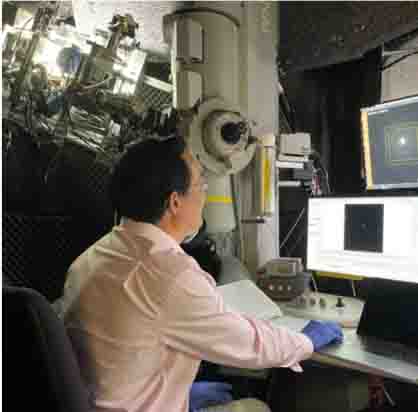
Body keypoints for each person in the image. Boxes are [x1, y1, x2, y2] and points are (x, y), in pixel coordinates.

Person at [56, 137, 343, 412]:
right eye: (200, 184)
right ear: (175, 202)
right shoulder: (170, 274)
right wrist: (306, 341)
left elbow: (117, 354)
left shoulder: (92, 257)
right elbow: (251, 345)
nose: (205, 194)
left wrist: (177, 391)